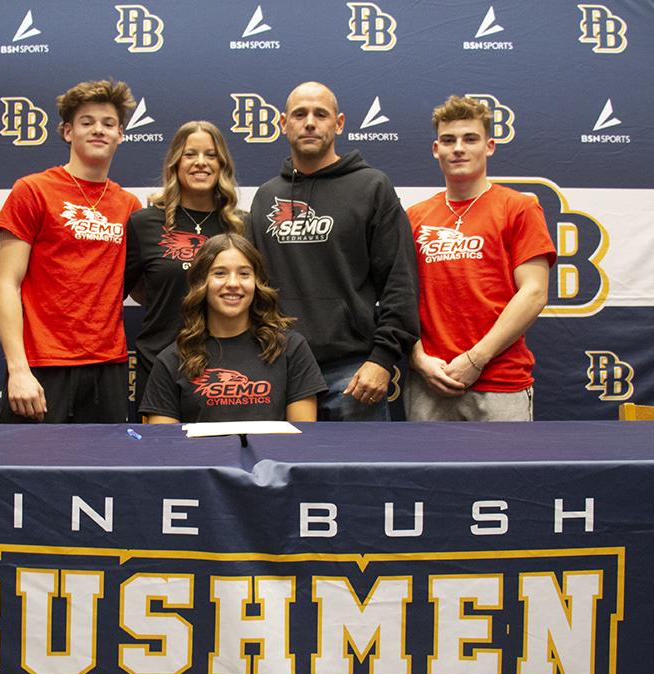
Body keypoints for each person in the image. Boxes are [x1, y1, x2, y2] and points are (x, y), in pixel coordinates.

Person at [248, 81, 419, 421]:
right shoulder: (266, 197)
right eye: (300, 114)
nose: (310, 122)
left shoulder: (372, 188)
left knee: (356, 474)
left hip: (352, 374)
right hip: (278, 369)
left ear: (339, 123)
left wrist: (382, 359)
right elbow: (253, 288)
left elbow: (399, 282)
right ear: (283, 123)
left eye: (320, 114)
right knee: (281, 473)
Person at [0, 78, 141, 423]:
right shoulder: (32, 191)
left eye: (108, 123)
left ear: (121, 133)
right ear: (67, 131)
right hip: (43, 366)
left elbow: (142, 286)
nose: (98, 130)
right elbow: (6, 285)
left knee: (105, 474)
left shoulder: (130, 205)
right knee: (28, 473)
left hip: (108, 367)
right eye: (86, 122)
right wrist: (18, 369)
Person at [404, 95, 557, 422]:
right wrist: (418, 358)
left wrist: (476, 359)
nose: (458, 148)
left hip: (500, 381)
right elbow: (400, 298)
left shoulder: (519, 208)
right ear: (436, 149)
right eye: (448, 140)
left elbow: (534, 293)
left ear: (489, 146)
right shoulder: (414, 217)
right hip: (431, 382)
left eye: (470, 139)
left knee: (507, 475)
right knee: (430, 475)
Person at [123, 121, 244, 420]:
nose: (200, 162)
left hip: (225, 369)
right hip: (159, 363)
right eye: (190, 154)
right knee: (161, 460)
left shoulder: (242, 225)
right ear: (176, 162)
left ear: (222, 164)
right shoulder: (144, 223)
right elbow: (133, 289)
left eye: (210, 155)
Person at [140, 234, 327, 424]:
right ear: (200, 282)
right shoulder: (171, 360)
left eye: (244, 273)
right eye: (220, 273)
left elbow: (301, 439)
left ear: (257, 282)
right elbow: (165, 445)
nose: (233, 283)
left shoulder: (290, 349)